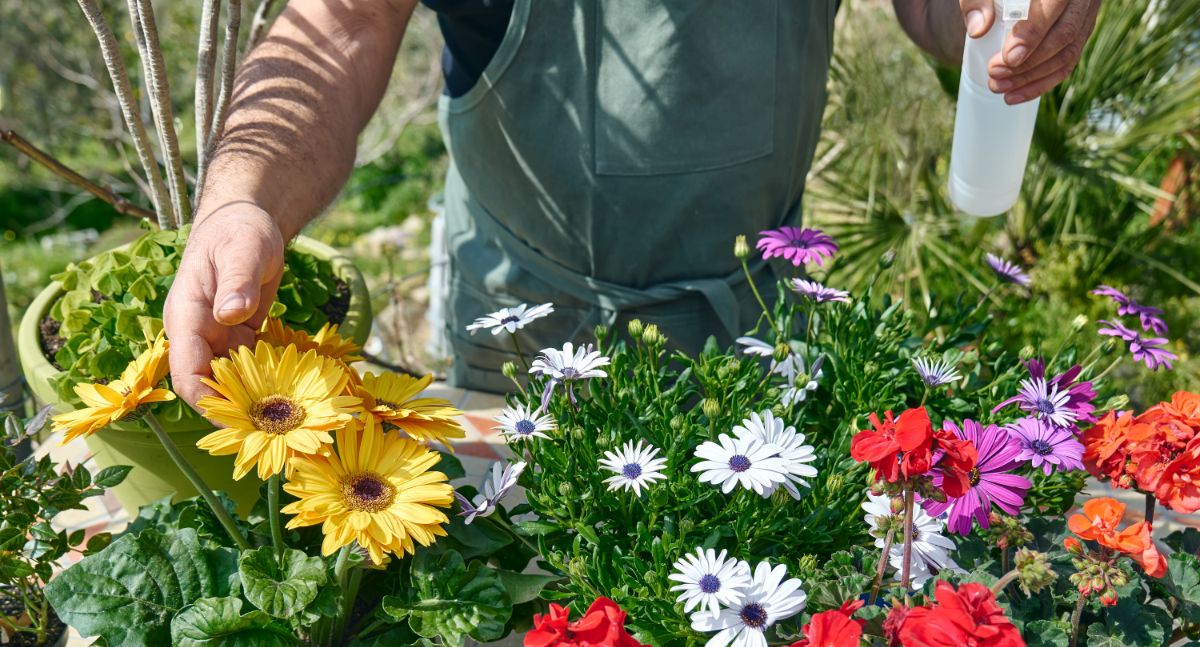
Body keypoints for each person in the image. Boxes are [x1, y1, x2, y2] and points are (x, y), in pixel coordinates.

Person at [164, 0, 1102, 406]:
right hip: (521, 336)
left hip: (750, 324)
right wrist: (241, 202)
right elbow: (339, 28)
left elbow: (944, 10)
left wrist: (1008, 21)